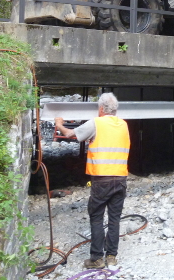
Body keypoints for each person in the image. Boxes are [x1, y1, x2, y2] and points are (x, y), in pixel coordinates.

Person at [54, 92, 130, 269]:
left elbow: (72, 134)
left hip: (102, 179)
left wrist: (59, 125)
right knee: (114, 219)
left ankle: (96, 259)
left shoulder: (97, 123)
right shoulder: (124, 125)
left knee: (96, 218)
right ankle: (111, 257)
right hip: (120, 179)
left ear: (101, 109)